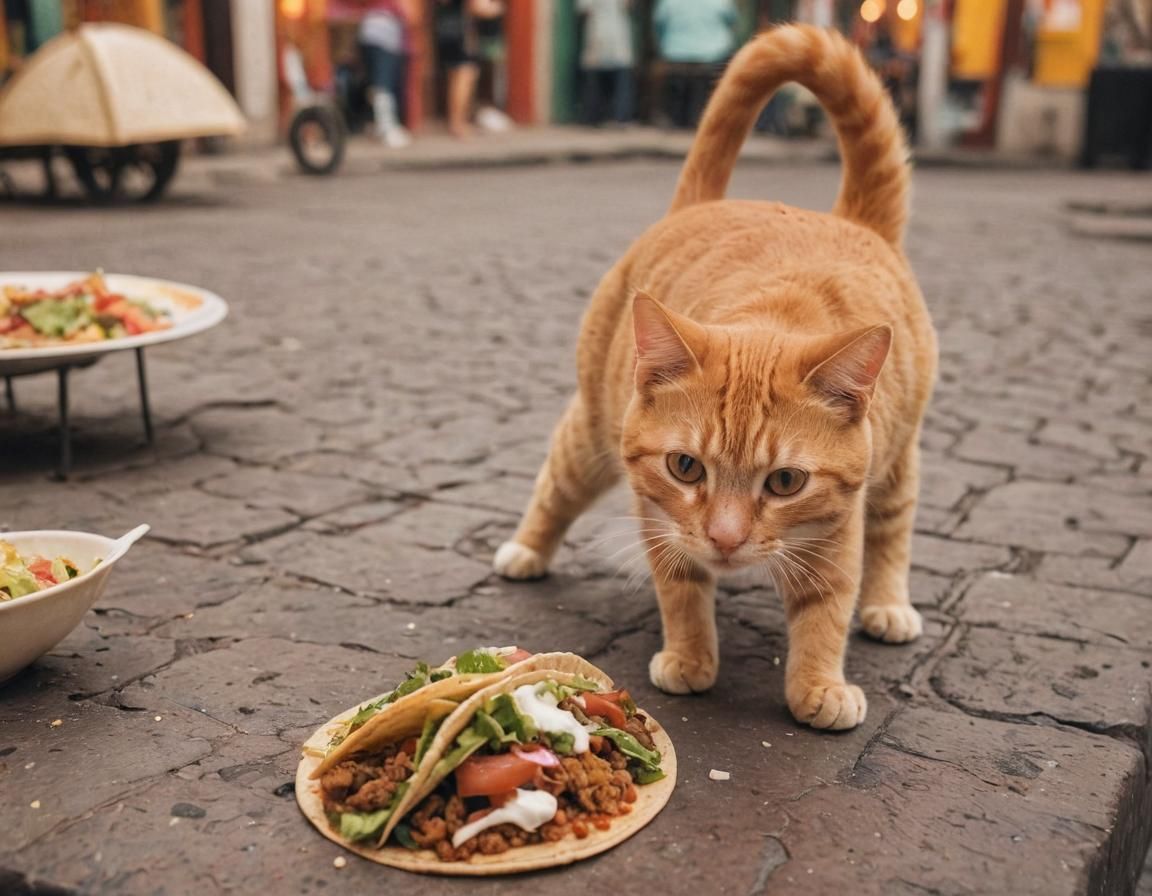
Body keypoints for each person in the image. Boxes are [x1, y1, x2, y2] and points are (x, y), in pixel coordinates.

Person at [653, 0, 737, 129]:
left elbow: (659, 22)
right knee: (705, 95)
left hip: (676, 52)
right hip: (712, 54)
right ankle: (700, 121)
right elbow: (732, 20)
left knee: (678, 95)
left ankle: (678, 121)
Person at [436, 0, 505, 138]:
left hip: (444, 30)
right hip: (463, 34)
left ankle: (455, 121)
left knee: (454, 76)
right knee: (465, 77)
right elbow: (478, 7)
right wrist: (497, 8)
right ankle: (458, 123)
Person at [356, 0, 412, 147]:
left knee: (375, 84)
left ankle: (376, 125)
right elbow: (407, 11)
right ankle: (386, 128)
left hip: (370, 31)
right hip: (384, 34)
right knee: (383, 84)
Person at [577, 0, 635, 126]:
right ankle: (605, 117)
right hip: (601, 34)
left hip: (610, 36)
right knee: (602, 80)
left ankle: (613, 117)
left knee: (614, 79)